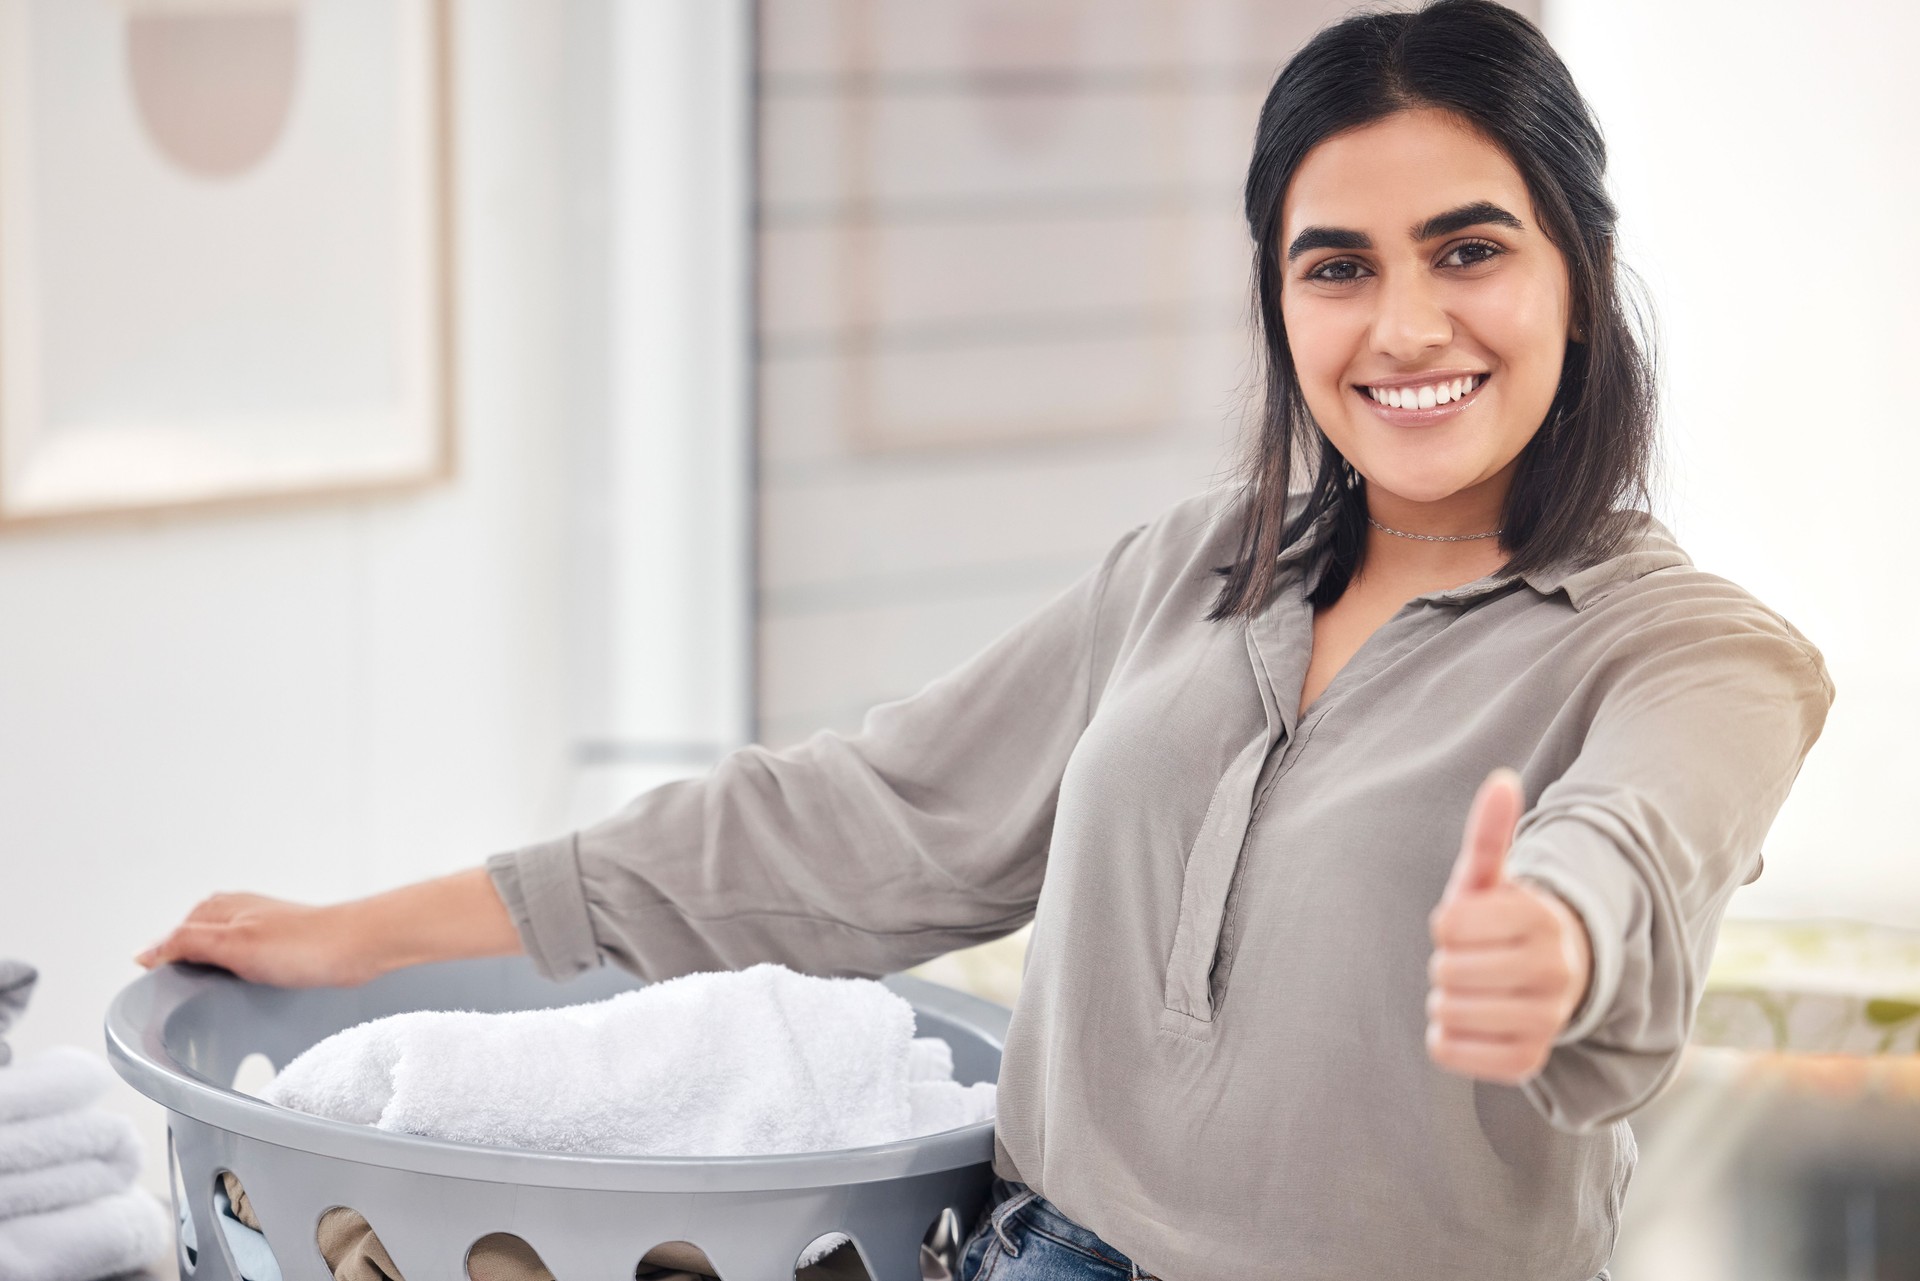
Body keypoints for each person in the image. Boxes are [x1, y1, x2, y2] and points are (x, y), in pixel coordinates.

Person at [138, 2, 1836, 1278]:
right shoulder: (1193, 571)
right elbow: (861, 819)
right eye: (1337, 267)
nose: (1403, 324)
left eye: (1470, 250)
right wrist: (362, 932)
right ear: (1278, 300)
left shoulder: (1697, 655)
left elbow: (1626, 853)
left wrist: (1551, 946)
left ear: (1582, 273)